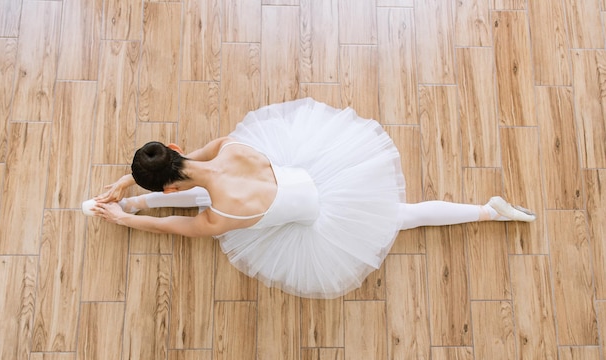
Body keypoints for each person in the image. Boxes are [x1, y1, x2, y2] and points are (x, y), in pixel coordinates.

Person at [84, 98, 535, 299]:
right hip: (320, 176)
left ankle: (485, 212)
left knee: (403, 217)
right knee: (405, 213)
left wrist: (126, 216)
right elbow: (190, 177)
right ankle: (486, 210)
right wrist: (128, 187)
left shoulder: (220, 214)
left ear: (166, 187)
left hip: (320, 217)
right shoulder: (231, 147)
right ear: (176, 150)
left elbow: (175, 223)